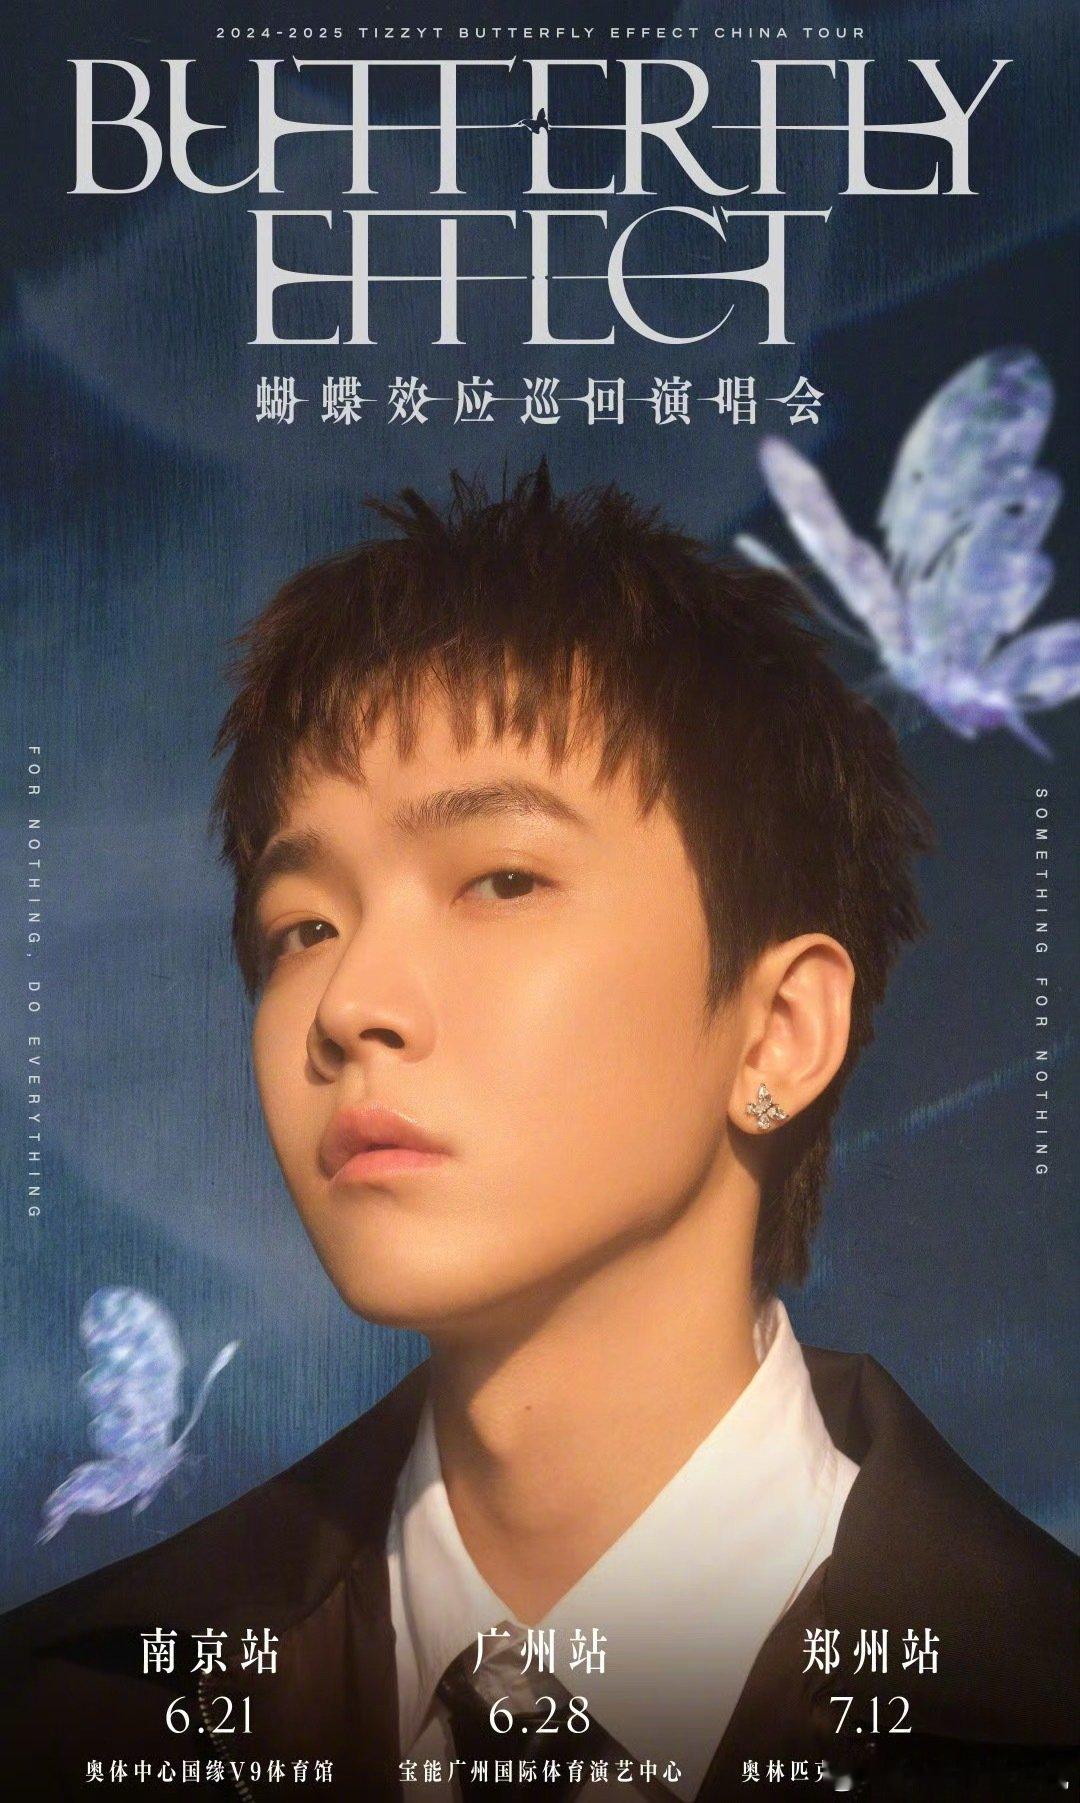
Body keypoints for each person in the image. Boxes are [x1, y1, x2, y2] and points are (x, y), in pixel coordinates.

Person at [1, 465, 1076, 1801]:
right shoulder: (63, 1720)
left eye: (501, 881)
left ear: (779, 1032)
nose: (350, 1003)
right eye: (304, 926)